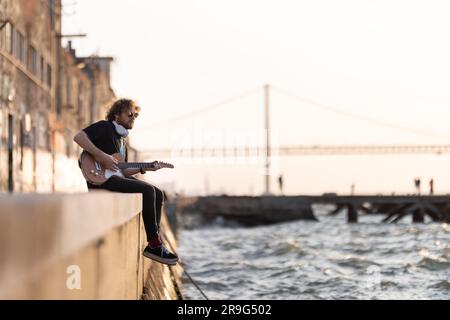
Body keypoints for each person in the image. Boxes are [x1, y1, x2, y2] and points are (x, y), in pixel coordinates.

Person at [73, 98, 178, 265]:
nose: (133, 117)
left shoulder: (122, 141)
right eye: (129, 114)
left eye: (135, 115)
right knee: (148, 191)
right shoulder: (105, 127)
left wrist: (146, 167)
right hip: (102, 178)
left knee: (157, 193)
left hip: (115, 177)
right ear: (116, 115)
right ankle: (154, 245)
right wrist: (103, 156)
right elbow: (79, 137)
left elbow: (123, 170)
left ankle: (155, 242)